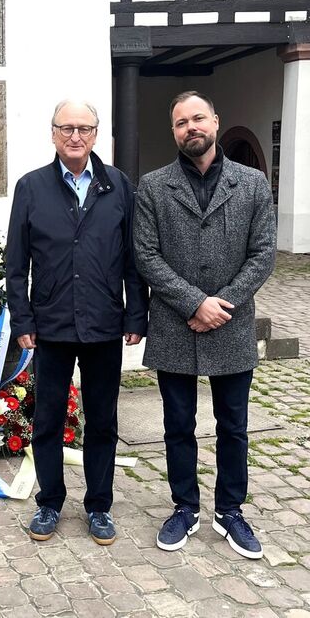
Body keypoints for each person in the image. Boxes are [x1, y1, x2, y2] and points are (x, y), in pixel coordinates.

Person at [133, 91, 276, 559]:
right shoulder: (153, 187)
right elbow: (146, 255)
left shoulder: (252, 183)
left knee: (233, 425)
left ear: (215, 121)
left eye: (198, 118)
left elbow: (263, 255)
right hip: (176, 324)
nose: (191, 127)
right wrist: (195, 302)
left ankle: (230, 511)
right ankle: (185, 507)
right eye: (181, 122)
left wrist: (222, 304)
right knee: (178, 424)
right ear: (173, 131)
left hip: (232, 324)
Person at [6, 100, 148, 544]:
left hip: (104, 323)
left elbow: (133, 258)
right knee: (46, 417)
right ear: (52, 133)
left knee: (102, 420)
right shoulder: (31, 188)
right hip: (50, 325)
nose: (75, 136)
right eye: (66, 128)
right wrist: (22, 318)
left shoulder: (118, 186)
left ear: (96, 134)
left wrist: (136, 314)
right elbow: (16, 263)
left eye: (84, 128)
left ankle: (99, 506)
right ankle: (49, 502)